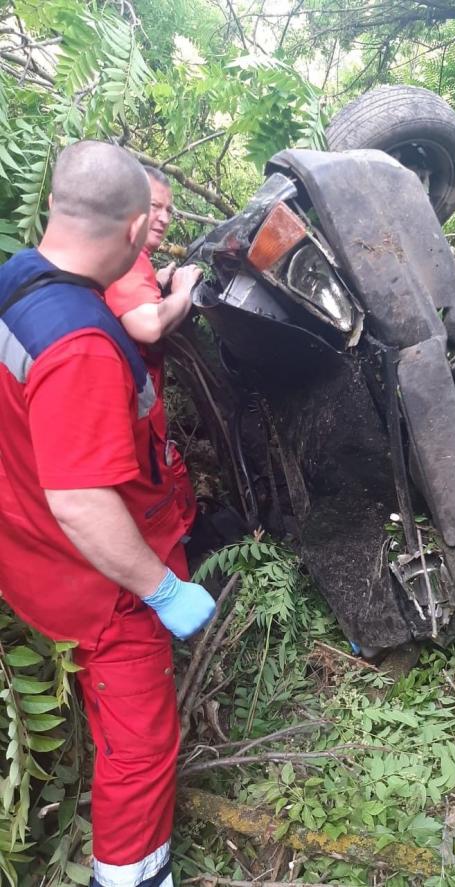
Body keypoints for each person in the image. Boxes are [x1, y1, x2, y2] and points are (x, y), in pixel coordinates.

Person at [0, 140, 215, 887]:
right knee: (141, 745)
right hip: (100, 587)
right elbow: (83, 501)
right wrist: (162, 589)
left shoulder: (15, 283)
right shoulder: (82, 344)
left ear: (56, 204)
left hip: (27, 555)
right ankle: (128, 875)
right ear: (133, 234)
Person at [105, 166, 201, 533]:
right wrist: (183, 292)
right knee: (157, 496)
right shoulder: (128, 257)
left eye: (168, 210)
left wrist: (157, 284)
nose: (162, 219)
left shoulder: (130, 260)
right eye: (153, 207)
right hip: (133, 421)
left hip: (132, 412)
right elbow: (148, 326)